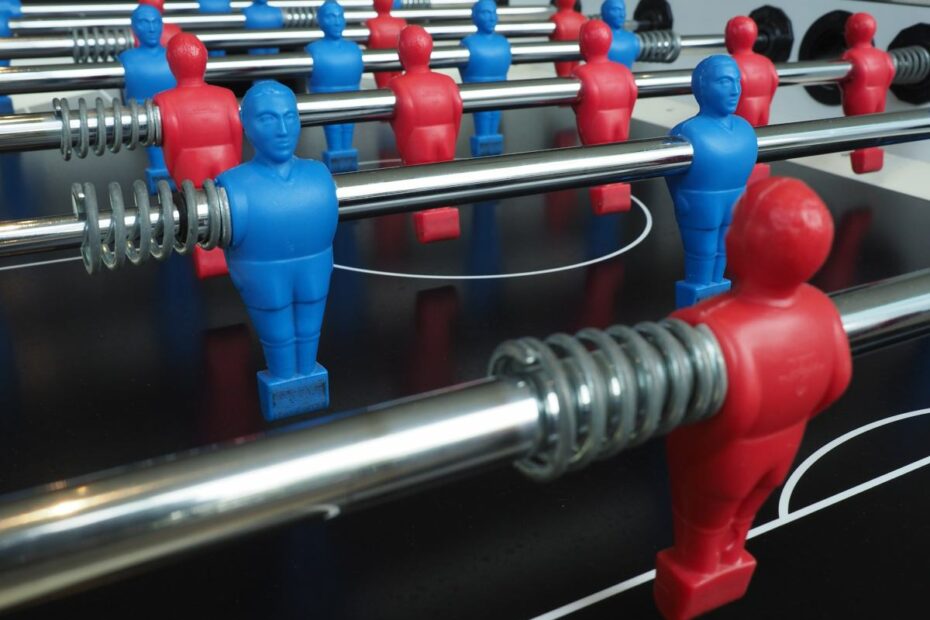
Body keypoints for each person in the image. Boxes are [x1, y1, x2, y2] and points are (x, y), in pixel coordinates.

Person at [654, 177, 852, 620]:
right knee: (742, 517)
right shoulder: (822, 309)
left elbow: (683, 395)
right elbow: (836, 384)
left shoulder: (707, 323)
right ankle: (731, 560)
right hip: (781, 452)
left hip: (718, 460)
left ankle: (696, 583)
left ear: (746, 242)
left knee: (702, 530)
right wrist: (790, 413)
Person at [217, 80, 339, 420]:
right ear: (246, 125)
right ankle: (286, 380)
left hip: (312, 268)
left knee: (309, 330)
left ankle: (303, 378)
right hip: (263, 274)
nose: (283, 129)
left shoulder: (318, 174)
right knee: (279, 335)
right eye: (269, 119)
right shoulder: (234, 184)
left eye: (290, 116)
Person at [665, 55, 756, 308]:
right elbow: (671, 177)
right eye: (725, 82)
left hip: (733, 200)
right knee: (703, 253)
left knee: (723, 252)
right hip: (700, 204)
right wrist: (682, 200)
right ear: (703, 88)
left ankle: (717, 295)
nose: (735, 90)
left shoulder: (745, 129)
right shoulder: (688, 132)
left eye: (737, 81)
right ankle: (696, 302)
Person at [154, 33, 242, 278]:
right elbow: (236, 134)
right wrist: (233, 162)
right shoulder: (225, 95)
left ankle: (209, 255)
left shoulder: (164, 100)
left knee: (200, 214)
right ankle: (224, 253)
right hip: (226, 160)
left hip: (187, 166)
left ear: (171, 65)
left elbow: (170, 144)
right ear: (204, 60)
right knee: (228, 210)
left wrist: (175, 171)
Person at [388, 26, 463, 243]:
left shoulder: (397, 84)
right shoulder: (447, 82)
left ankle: (433, 222)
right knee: (442, 190)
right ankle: (442, 220)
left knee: (426, 194)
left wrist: (405, 149)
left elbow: (403, 123)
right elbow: (457, 111)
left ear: (401, 53)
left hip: (417, 149)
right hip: (446, 143)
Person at [571, 19, 637, 214]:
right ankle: (614, 199)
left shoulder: (580, 72)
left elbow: (577, 105)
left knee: (601, 171)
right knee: (616, 169)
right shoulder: (624, 71)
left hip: (596, 131)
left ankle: (606, 201)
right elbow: (632, 95)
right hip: (621, 127)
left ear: (583, 45)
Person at [119, 4, 177, 192]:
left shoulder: (172, 55)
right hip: (143, 120)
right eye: (145, 22)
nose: (152, 28)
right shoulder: (127, 59)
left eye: (156, 22)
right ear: (134, 27)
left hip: (175, 117)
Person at [307, 0, 364, 173]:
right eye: (331, 17)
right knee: (334, 135)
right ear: (321, 20)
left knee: (347, 133)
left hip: (350, 97)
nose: (337, 21)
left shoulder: (353, 48)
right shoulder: (313, 49)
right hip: (326, 99)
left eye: (340, 16)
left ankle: (346, 168)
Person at [725, 15, 778, 184]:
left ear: (730, 38)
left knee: (740, 152)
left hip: (740, 118)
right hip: (763, 112)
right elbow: (774, 82)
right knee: (758, 150)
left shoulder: (730, 64)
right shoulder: (766, 61)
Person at [840, 12, 894, 173]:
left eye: (846, 29)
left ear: (852, 32)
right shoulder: (883, 56)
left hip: (860, 99)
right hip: (879, 98)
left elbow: (843, 80)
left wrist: (848, 91)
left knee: (861, 134)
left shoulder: (850, 55)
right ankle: (871, 156)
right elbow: (890, 73)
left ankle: (863, 158)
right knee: (874, 132)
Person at [458, 0, 511, 157]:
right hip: (478, 92)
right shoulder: (469, 43)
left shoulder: (503, 42)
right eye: (486, 13)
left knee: (494, 118)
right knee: (483, 119)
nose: (491, 17)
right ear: (474, 17)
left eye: (494, 13)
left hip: (498, 90)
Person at [366, 0, 406, 88]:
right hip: (398, 62)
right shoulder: (401, 23)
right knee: (398, 86)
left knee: (383, 86)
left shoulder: (370, 23)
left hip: (380, 62)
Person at [549, 0, 586, 77]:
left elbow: (551, 36)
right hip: (575, 50)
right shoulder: (582, 19)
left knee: (564, 75)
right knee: (573, 73)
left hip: (561, 53)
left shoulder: (555, 18)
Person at [599, 0, 639, 68]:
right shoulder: (598, 40)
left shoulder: (633, 40)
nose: (622, 15)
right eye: (616, 10)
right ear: (604, 13)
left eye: (623, 10)